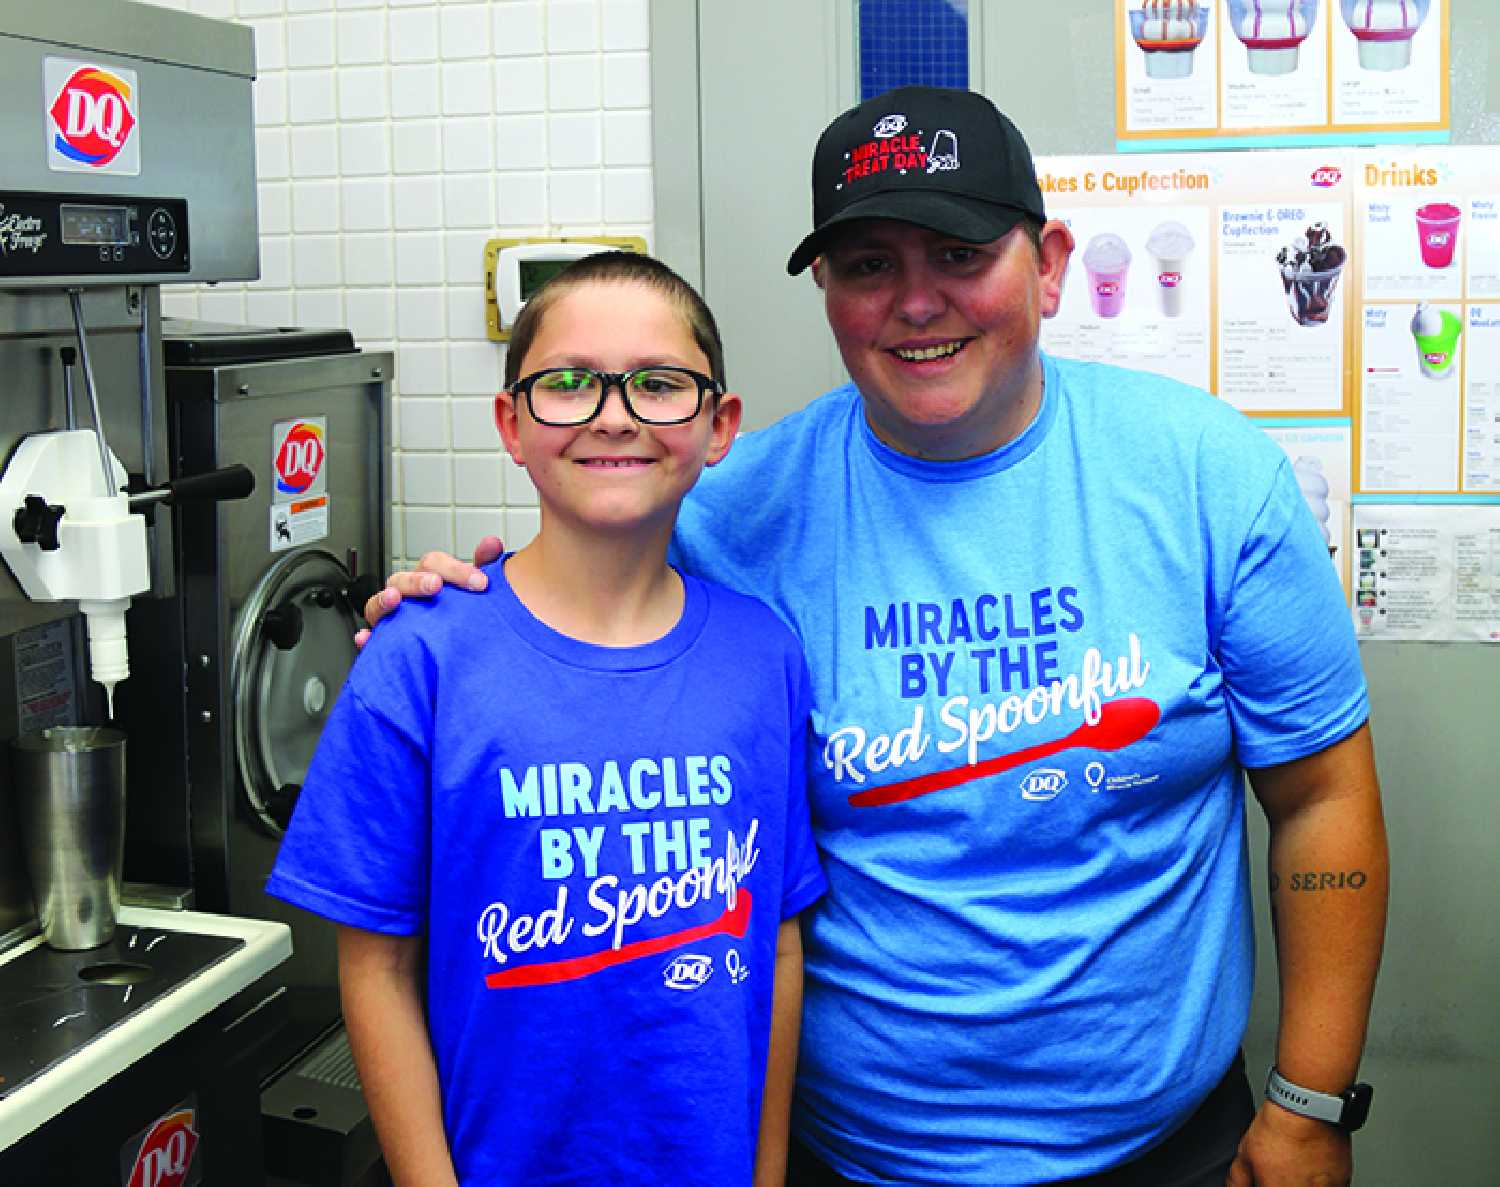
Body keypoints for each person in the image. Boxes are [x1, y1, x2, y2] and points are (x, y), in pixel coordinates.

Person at [365, 88, 1388, 1187]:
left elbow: (1322, 798)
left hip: (1170, 1148)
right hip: (846, 1156)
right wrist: (453, 606)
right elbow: (566, 621)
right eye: (866, 266)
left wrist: (1307, 1104)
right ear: (826, 291)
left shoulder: (1205, 475)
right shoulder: (729, 517)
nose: (914, 301)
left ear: (1046, 263)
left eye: (958, 251)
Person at [269, 252, 827, 1187]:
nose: (613, 412)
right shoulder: (423, 657)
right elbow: (376, 969)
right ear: (511, 423)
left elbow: (774, 939)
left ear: (719, 425)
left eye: (659, 383)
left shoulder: (762, 653)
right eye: (567, 384)